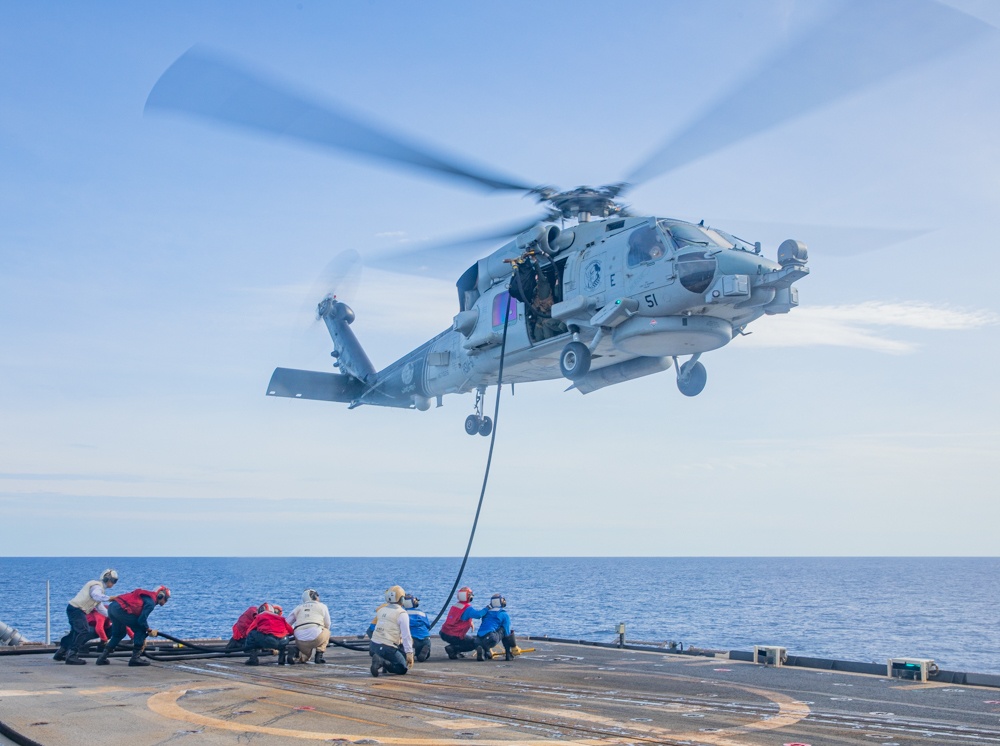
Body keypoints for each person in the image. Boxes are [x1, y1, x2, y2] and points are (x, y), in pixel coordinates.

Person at [54, 569, 119, 665]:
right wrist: (109, 598)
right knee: (83, 631)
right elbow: (96, 595)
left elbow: (100, 607)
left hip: (74, 609)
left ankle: (61, 653)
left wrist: (112, 617)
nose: (113, 583)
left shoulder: (100, 589)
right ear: (107, 579)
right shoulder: (97, 587)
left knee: (75, 633)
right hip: (77, 609)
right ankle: (71, 655)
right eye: (113, 581)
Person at [95, 585, 170, 667]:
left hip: (112, 608)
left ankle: (102, 658)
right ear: (160, 595)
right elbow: (141, 620)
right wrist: (148, 630)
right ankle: (135, 658)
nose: (166, 601)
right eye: (166, 598)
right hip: (120, 609)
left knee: (119, 634)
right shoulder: (151, 602)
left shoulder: (147, 597)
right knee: (140, 630)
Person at [369, 585, 413, 677]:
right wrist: (409, 653)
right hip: (387, 648)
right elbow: (406, 635)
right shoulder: (402, 613)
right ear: (401, 599)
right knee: (402, 668)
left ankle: (381, 660)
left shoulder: (381, 610)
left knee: (395, 650)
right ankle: (382, 662)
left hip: (373, 646)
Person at [439, 586, 485, 659]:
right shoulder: (467, 608)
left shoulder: (455, 606)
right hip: (454, 635)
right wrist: (488, 608)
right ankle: (453, 648)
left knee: (462, 639)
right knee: (473, 642)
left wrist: (470, 622)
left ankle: (454, 652)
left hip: (444, 633)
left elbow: (458, 618)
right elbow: (478, 615)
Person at [288, 589, 331, 664]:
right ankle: (319, 655)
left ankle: (296, 651)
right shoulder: (322, 606)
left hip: (299, 639)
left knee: (305, 657)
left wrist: (293, 632)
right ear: (314, 596)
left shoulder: (298, 608)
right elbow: (328, 624)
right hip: (316, 637)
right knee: (327, 631)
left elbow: (287, 623)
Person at [473, 593, 517, 662]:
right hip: (490, 637)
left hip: (478, 638)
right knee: (504, 629)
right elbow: (507, 633)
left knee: (485, 642)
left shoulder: (486, 612)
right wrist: (513, 646)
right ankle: (508, 654)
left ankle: (485, 652)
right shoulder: (503, 614)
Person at [402, 593, 431, 662]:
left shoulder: (403, 613)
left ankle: (408, 654)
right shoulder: (421, 613)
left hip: (412, 639)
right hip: (425, 637)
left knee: (403, 648)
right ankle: (424, 649)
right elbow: (428, 625)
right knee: (425, 650)